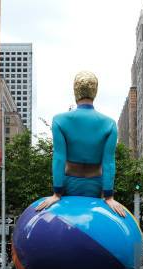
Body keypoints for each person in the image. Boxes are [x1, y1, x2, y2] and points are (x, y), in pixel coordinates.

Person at [35, 71, 126, 217]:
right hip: (96, 184)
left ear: (75, 91)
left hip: (68, 183)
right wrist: (109, 196)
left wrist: (56, 193)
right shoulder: (109, 124)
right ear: (95, 91)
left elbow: (59, 158)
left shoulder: (59, 120)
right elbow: (108, 163)